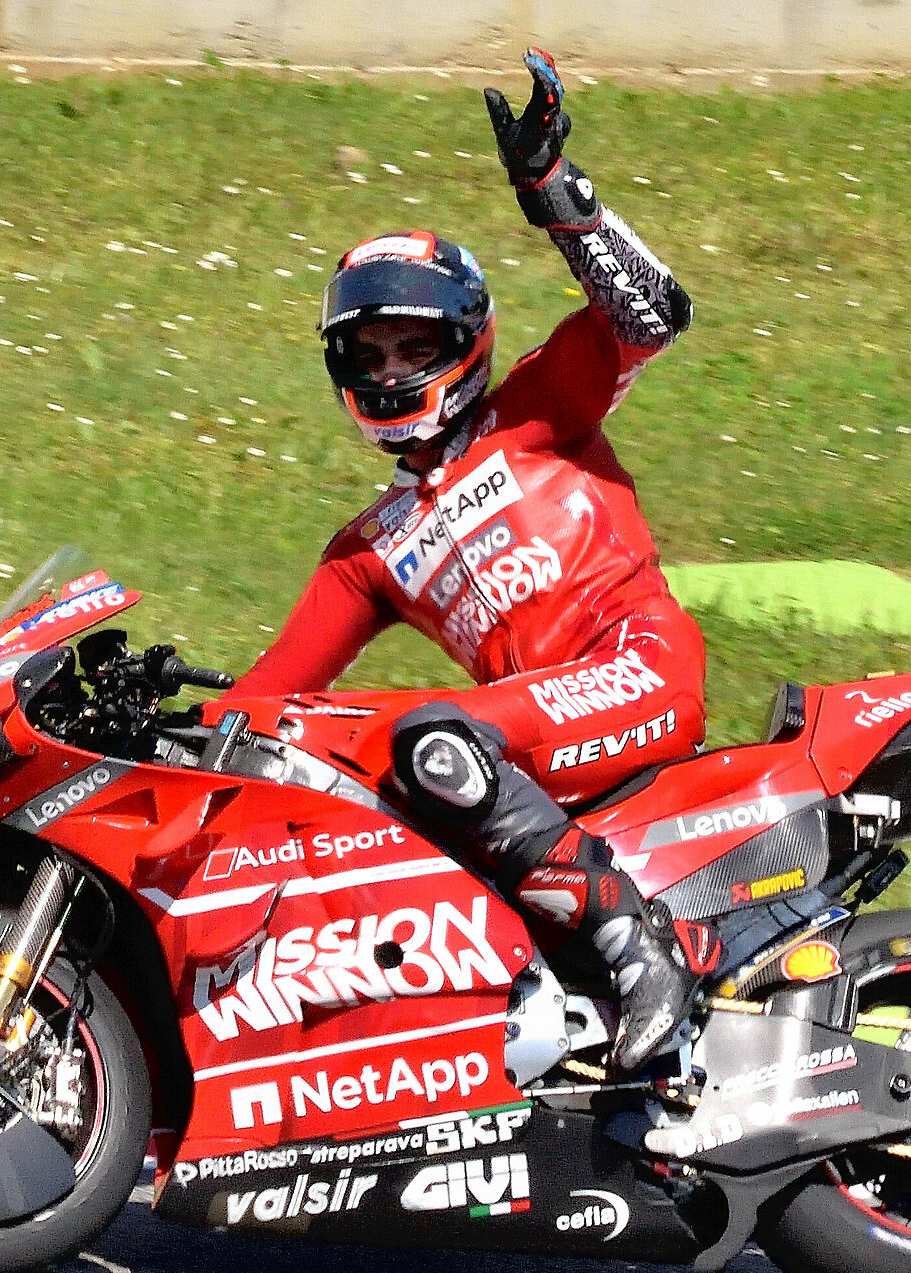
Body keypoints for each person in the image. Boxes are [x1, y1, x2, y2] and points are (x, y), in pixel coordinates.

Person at [228, 50, 707, 1071]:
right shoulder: (367, 550)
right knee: (344, 753)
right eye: (370, 354)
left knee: (429, 733)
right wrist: (141, 738)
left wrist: (555, 192)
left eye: (414, 347)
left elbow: (653, 313)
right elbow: (265, 703)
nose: (391, 371)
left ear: (466, 344)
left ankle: (642, 953)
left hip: (640, 667)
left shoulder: (533, 407)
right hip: (529, 743)